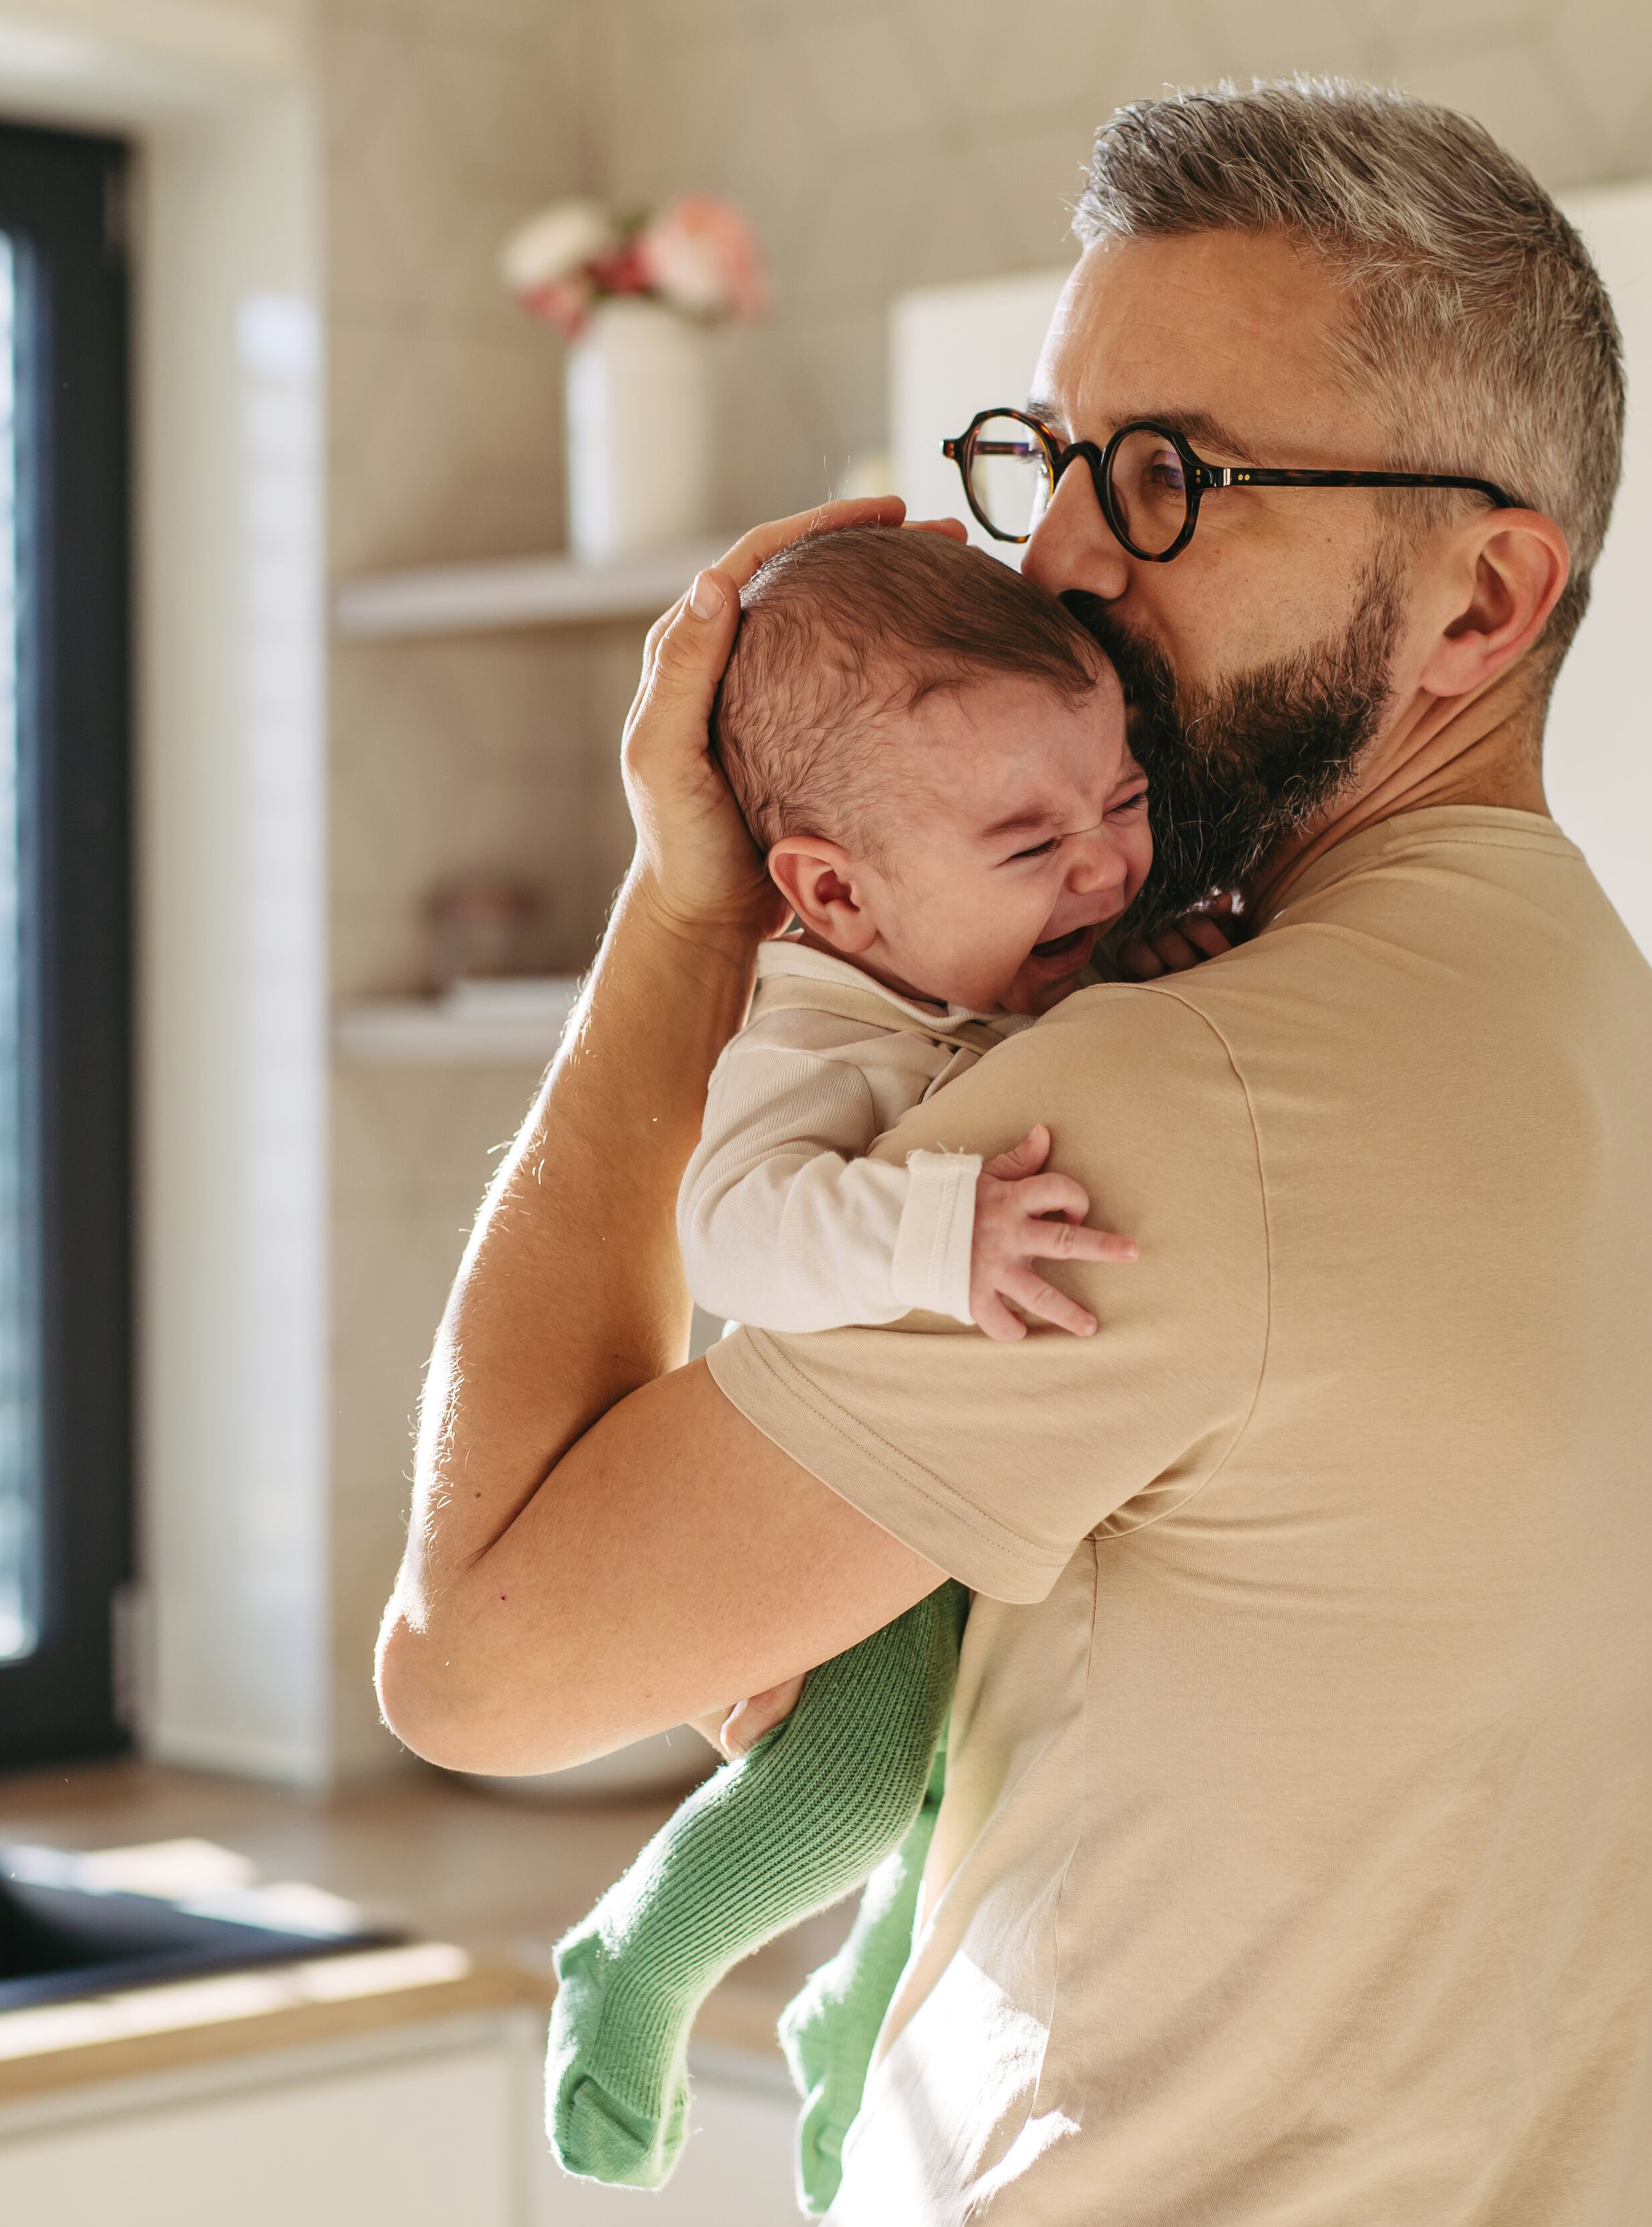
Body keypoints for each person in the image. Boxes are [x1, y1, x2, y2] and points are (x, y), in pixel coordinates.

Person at [379, 74, 1652, 2226]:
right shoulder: (1642, 1058)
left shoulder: (1172, 1107)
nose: (1050, 558)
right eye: (1052, 456)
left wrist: (694, 905)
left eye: (1169, 479)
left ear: (1483, 604)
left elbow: (478, 1654)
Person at [548, 527, 1146, 2208]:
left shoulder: (986, 966)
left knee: (969, 1793)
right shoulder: (817, 1026)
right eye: (1030, 838)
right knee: (866, 1774)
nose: (1104, 868)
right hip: (836, 1488)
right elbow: (734, 1234)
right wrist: (935, 1234)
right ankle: (643, 1957)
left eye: (1122, 799)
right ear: (832, 892)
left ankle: (854, 2015)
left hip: (952, 1487)